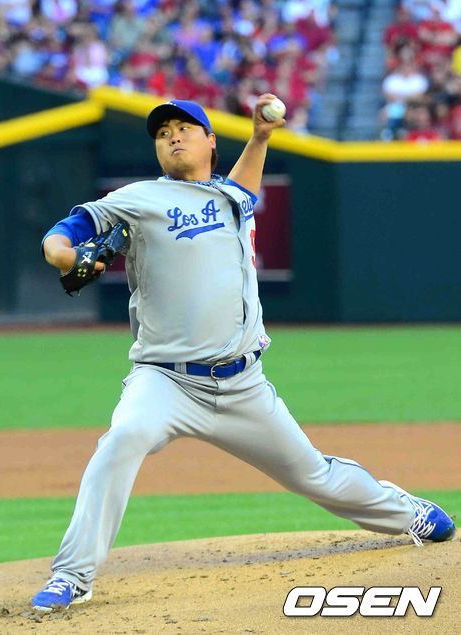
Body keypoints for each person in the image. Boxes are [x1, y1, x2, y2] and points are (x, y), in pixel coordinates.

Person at [32, 95, 455, 612]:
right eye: (162, 132)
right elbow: (64, 233)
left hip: (243, 385)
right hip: (166, 381)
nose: (172, 136)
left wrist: (259, 137)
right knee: (122, 439)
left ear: (211, 141)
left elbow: (243, 188)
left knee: (313, 475)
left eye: (185, 127)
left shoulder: (231, 197)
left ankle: (405, 511)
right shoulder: (140, 198)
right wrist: (65, 256)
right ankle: (73, 575)